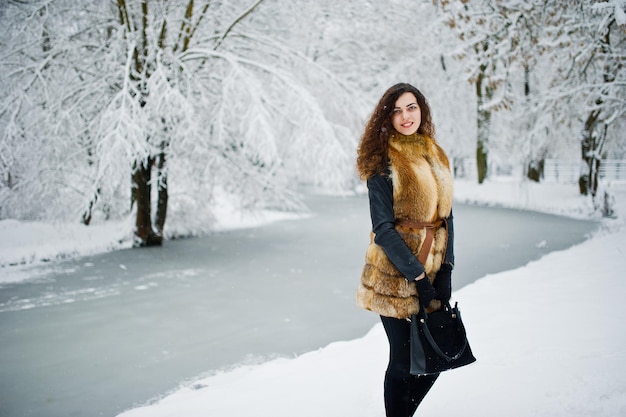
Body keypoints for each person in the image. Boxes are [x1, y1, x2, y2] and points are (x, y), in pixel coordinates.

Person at [355, 83, 455, 417]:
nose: (405, 116)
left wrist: (446, 272)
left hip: (435, 268)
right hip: (395, 276)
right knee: (402, 359)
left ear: (421, 109)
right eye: (397, 110)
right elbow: (383, 230)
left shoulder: (436, 154)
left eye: (411, 107)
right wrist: (418, 278)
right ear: (388, 116)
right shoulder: (382, 161)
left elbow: (446, 216)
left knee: (436, 355)